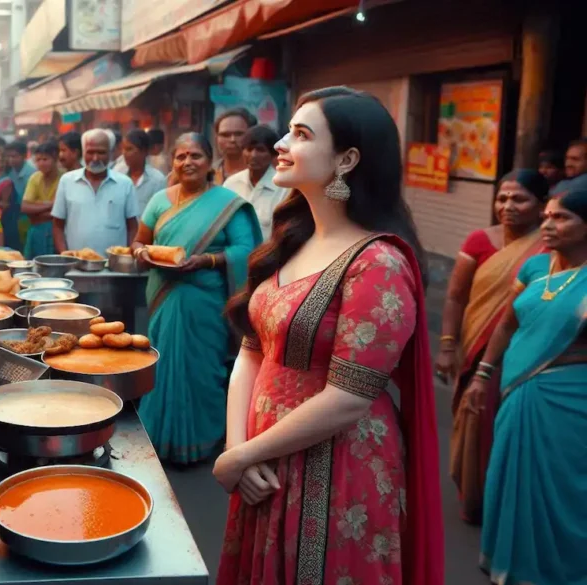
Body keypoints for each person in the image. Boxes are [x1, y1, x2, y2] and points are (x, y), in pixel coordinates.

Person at [214, 87, 444, 585]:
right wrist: (238, 449)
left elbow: (348, 399)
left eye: (300, 134)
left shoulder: (378, 262)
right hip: (261, 459)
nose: (279, 143)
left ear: (347, 159)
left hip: (337, 467)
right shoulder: (291, 239)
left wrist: (244, 455)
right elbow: (252, 352)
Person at [474, 189, 587, 585]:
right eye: (548, 216)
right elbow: (507, 323)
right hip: (519, 392)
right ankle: (515, 566)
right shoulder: (535, 268)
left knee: (566, 491)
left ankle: (566, 570)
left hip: (571, 400)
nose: (548, 225)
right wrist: (482, 373)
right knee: (511, 478)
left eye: (562, 218)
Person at [132, 133, 261, 464]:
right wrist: (142, 253)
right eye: (180, 156)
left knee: (203, 371)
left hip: (205, 301)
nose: (187, 162)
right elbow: (138, 241)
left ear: (210, 162)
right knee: (159, 367)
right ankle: (158, 440)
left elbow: (246, 251)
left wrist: (205, 260)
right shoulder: (160, 199)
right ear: (172, 162)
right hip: (163, 295)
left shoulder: (227, 204)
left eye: (196, 156)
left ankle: (202, 443)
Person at [437, 169, 548, 524]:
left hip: (525, 351)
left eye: (520, 199)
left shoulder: (550, 247)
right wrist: (447, 344)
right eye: (502, 198)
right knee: (474, 420)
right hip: (475, 347)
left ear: (541, 205)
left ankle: (507, 498)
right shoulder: (479, 240)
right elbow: (455, 297)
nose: (508, 206)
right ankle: (474, 494)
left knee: (511, 427)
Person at [51, 129, 138, 257]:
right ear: (83, 153)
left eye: (101, 152)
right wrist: (64, 253)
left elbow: (132, 227)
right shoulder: (67, 181)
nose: (95, 158)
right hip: (77, 265)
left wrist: (129, 258)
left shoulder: (125, 184)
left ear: (110, 153)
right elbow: (57, 225)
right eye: (90, 152)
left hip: (114, 267)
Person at [223, 125, 291, 240]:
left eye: (260, 150)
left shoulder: (284, 187)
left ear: (273, 154)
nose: (253, 155)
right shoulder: (231, 184)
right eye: (249, 149)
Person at [22, 141, 62, 257]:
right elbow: (25, 207)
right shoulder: (35, 178)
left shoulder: (65, 178)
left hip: (57, 231)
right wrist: (51, 205)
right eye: (38, 160)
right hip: (36, 232)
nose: (41, 163)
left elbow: (60, 213)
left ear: (55, 159)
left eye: (45, 159)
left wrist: (36, 207)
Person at [121, 129, 168, 215]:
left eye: (129, 149)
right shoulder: (118, 176)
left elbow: (161, 213)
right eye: (123, 149)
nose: (124, 153)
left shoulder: (157, 180)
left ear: (144, 151)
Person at [3, 140, 34, 249]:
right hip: (13, 216)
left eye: (14, 156)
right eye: (9, 157)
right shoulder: (9, 171)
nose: (11, 160)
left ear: (24, 156)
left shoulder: (32, 173)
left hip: (27, 218)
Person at [213, 108, 256, 184]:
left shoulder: (268, 174)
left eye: (239, 134)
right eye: (225, 135)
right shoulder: (205, 175)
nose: (232, 140)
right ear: (216, 138)